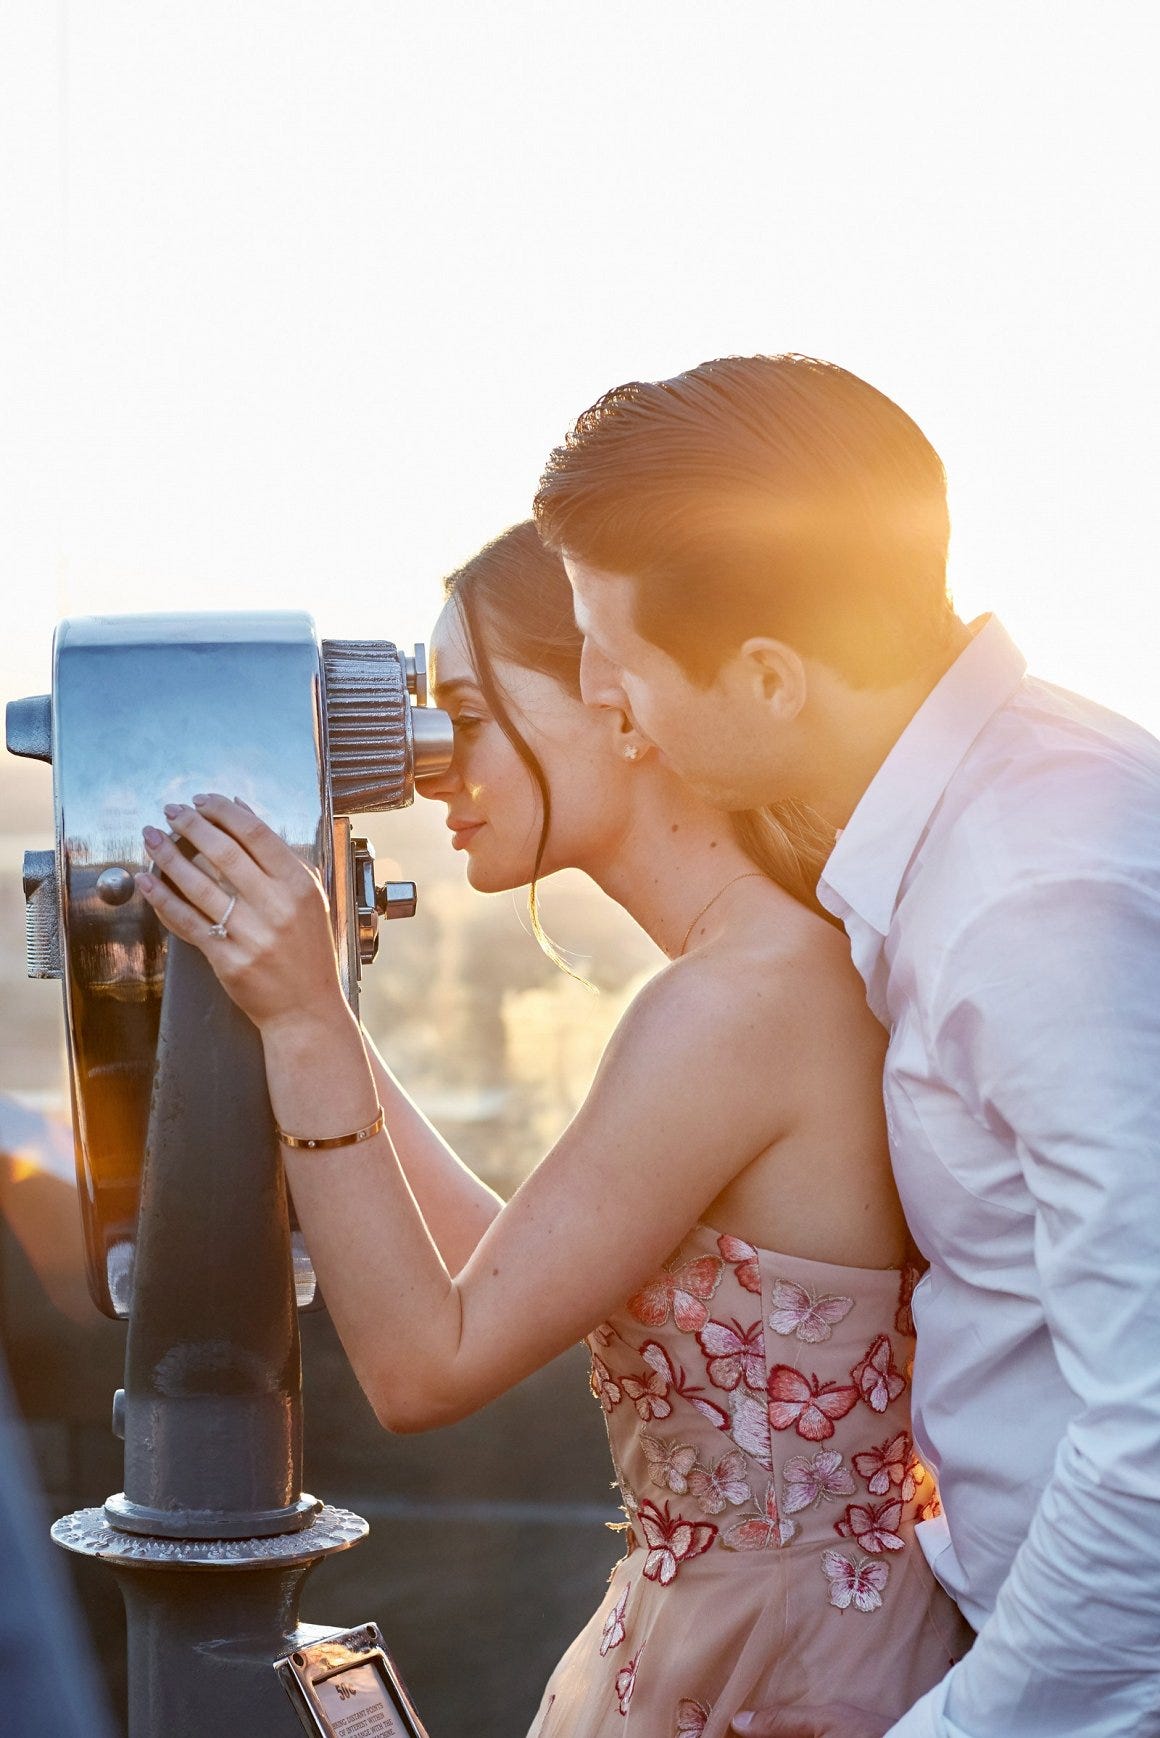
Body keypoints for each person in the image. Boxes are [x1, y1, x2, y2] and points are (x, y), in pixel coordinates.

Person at [133, 522, 970, 1736]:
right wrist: (300, 1004)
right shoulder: (749, 974)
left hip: (782, 1676)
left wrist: (310, 1029)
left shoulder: (738, 1002)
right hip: (745, 1636)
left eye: (465, 715)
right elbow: (508, 1272)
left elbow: (425, 1364)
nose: (429, 767)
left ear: (617, 704)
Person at [532, 352, 1160, 1737]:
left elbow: (1155, 1435)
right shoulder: (981, 829)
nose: (598, 693)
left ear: (767, 676)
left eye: (613, 651)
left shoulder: (1034, 894)